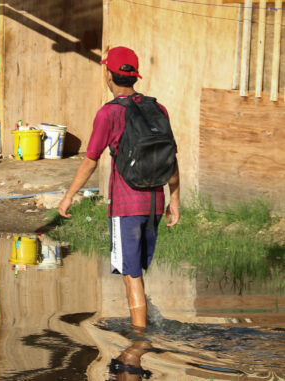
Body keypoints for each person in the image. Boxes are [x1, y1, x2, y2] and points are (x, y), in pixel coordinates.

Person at [57, 46, 180, 329]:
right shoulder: (157, 108)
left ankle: (139, 339)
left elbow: (90, 161)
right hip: (155, 204)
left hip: (125, 206)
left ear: (108, 74)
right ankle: (144, 326)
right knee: (135, 271)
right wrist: (175, 198)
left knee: (131, 275)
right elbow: (170, 157)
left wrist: (68, 197)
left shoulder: (108, 114)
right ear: (134, 76)